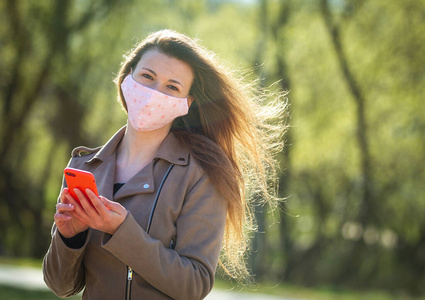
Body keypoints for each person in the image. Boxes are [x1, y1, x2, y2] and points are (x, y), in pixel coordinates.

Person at [43, 29, 287, 300]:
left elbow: (193, 285)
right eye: (147, 76)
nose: (153, 93)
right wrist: (69, 238)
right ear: (127, 78)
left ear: (186, 103)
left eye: (172, 87)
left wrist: (122, 231)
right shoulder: (83, 166)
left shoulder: (201, 175)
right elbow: (60, 286)